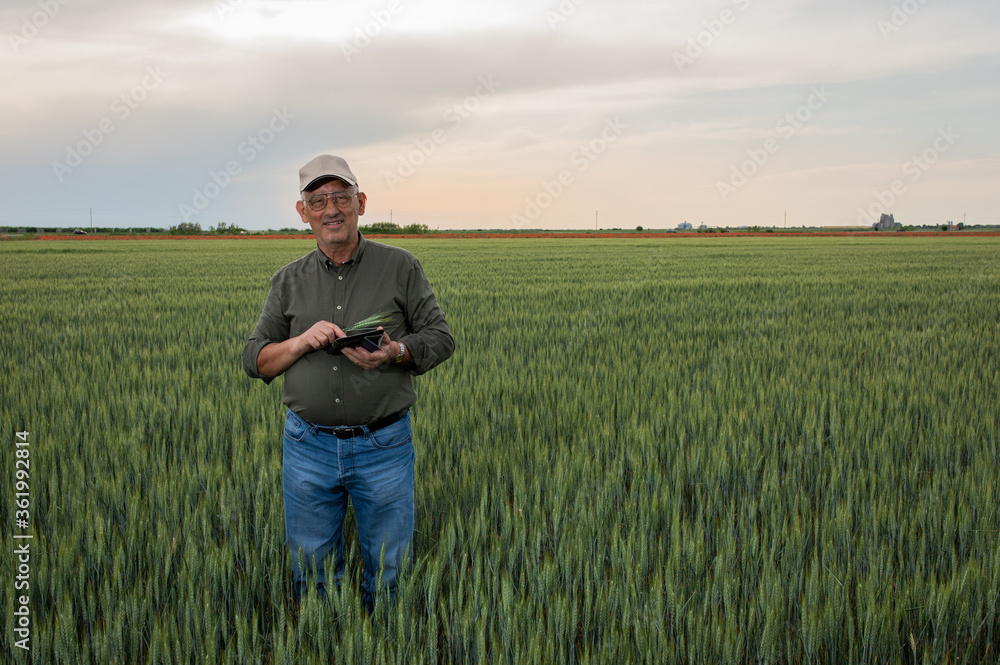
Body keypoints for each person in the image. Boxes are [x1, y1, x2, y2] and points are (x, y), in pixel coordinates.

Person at [241, 154, 454, 611]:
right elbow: (255, 361)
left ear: (360, 202)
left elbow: (440, 337)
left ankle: (385, 645)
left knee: (390, 572)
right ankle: (326, 644)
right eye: (318, 201)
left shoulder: (401, 266)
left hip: (384, 446)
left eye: (340, 197)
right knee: (313, 574)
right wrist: (299, 343)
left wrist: (394, 352)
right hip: (308, 447)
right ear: (303, 213)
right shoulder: (287, 282)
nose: (330, 209)